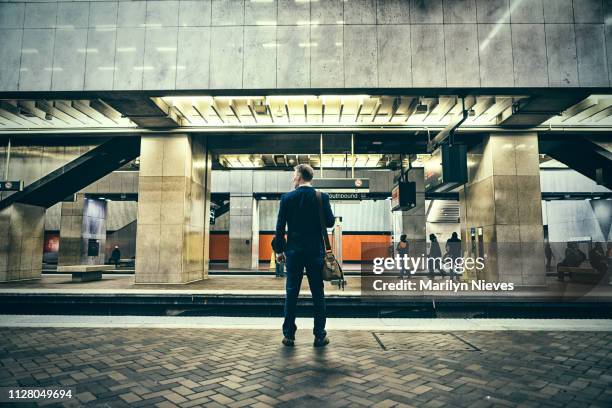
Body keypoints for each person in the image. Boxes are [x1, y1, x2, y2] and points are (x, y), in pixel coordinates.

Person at [274, 164, 334, 348]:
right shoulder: (321, 197)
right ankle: (319, 335)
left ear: (299, 177)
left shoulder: (287, 198)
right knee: (318, 293)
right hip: (316, 252)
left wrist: (279, 250)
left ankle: (289, 335)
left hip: (294, 252)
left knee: (291, 292)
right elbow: (330, 222)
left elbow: (279, 227)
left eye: (294, 175)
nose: (293, 178)